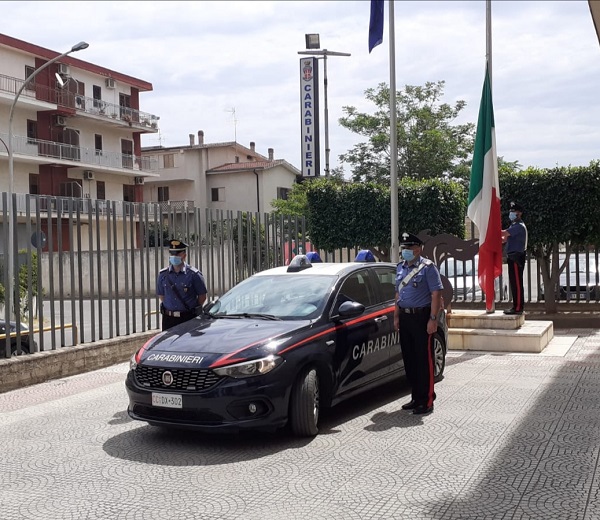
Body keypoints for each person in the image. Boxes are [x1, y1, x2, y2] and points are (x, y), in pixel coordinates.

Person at [394, 232, 443, 415]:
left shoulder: (428, 268)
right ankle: (416, 397)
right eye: (404, 248)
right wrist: (396, 317)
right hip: (405, 318)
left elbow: (436, 294)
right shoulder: (400, 268)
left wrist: (433, 319)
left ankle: (427, 400)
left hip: (422, 318)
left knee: (424, 360)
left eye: (409, 247)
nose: (406, 251)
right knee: (410, 360)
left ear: (418, 248)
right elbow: (398, 295)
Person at [157, 239, 208, 331]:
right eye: (172, 254)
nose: (174, 257)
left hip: (187, 318)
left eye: (177, 254)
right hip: (169, 319)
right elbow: (162, 296)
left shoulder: (194, 275)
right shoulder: (163, 275)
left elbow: (202, 296)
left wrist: (191, 310)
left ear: (184, 255)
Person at [501, 201, 527, 315]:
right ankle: (516, 306)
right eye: (510, 211)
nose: (511, 213)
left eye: (513, 211)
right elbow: (504, 239)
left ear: (519, 213)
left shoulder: (519, 226)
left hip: (516, 257)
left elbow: (504, 233)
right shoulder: (514, 226)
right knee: (514, 282)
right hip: (513, 257)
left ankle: (518, 308)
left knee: (516, 283)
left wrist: (490, 230)